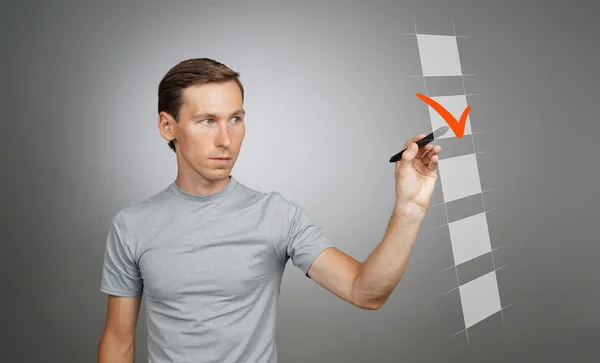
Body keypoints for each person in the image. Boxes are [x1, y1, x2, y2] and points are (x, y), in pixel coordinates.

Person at [97, 58, 442, 363]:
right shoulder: (132, 225)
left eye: (235, 119)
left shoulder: (276, 215)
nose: (225, 139)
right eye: (206, 121)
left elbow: (365, 292)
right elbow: (118, 341)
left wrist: (409, 208)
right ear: (167, 127)